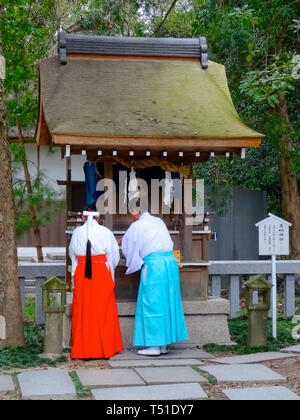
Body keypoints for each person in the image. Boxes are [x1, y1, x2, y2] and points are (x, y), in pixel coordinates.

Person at [120, 206, 188, 356]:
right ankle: (163, 344)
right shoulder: (158, 221)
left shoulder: (137, 225)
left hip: (154, 266)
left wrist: (122, 247)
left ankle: (154, 346)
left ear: (134, 212)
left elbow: (128, 246)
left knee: (152, 303)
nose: (130, 217)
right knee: (167, 302)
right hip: (170, 264)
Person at [69, 206, 123, 359]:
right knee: (103, 310)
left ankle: (83, 349)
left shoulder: (77, 232)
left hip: (82, 270)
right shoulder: (105, 232)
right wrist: (109, 272)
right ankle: (105, 347)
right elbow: (113, 256)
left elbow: (72, 254)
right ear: (98, 217)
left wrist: (75, 274)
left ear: (83, 217)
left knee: (83, 309)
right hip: (101, 271)